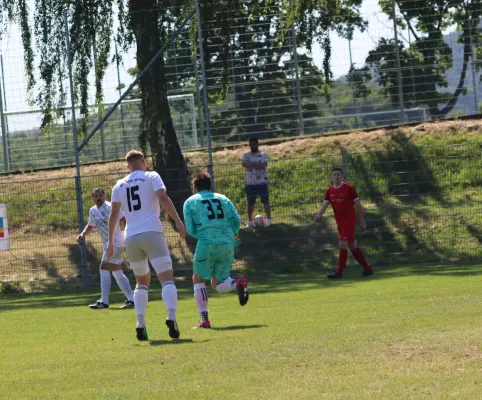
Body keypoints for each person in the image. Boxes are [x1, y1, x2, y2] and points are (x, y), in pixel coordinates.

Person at [107, 150, 187, 341]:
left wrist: (111, 241)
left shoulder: (119, 184)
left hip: (131, 237)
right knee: (166, 278)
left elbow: (114, 214)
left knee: (142, 282)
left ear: (128, 166)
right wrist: (177, 220)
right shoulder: (152, 176)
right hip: (152, 232)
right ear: (144, 162)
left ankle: (140, 323)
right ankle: (171, 317)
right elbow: (163, 198)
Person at [183, 172, 249, 329]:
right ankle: (238, 283)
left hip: (207, 242)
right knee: (218, 281)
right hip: (227, 243)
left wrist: (202, 235)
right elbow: (237, 219)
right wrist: (231, 234)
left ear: (195, 187)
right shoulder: (223, 198)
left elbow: (190, 228)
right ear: (210, 185)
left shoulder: (190, 202)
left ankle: (204, 320)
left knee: (198, 279)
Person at [77, 188, 134, 309]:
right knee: (116, 271)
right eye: (96, 196)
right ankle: (131, 299)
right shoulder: (92, 211)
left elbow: (125, 219)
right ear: (92, 197)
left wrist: (126, 233)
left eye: (100, 195)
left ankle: (104, 301)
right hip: (107, 244)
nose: (98, 198)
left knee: (103, 269)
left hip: (116, 242)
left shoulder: (111, 207)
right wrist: (82, 234)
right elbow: (90, 225)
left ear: (104, 195)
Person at [314, 167, 373, 279]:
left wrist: (362, 220)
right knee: (352, 246)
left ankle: (339, 272)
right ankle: (367, 269)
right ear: (332, 177)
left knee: (342, 244)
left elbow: (358, 205)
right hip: (339, 222)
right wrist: (318, 215)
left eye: (338, 174)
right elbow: (325, 205)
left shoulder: (349, 188)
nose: (336, 176)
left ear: (342, 176)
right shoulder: (330, 191)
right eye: (334, 175)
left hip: (350, 220)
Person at [241, 137, 272, 227]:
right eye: (251, 144)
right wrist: (256, 164)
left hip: (261, 182)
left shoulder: (262, 154)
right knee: (250, 203)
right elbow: (244, 164)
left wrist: (251, 165)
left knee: (265, 201)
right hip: (250, 183)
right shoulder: (246, 155)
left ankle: (269, 220)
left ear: (258, 144)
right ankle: (250, 222)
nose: (253, 145)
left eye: (254, 144)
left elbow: (264, 164)